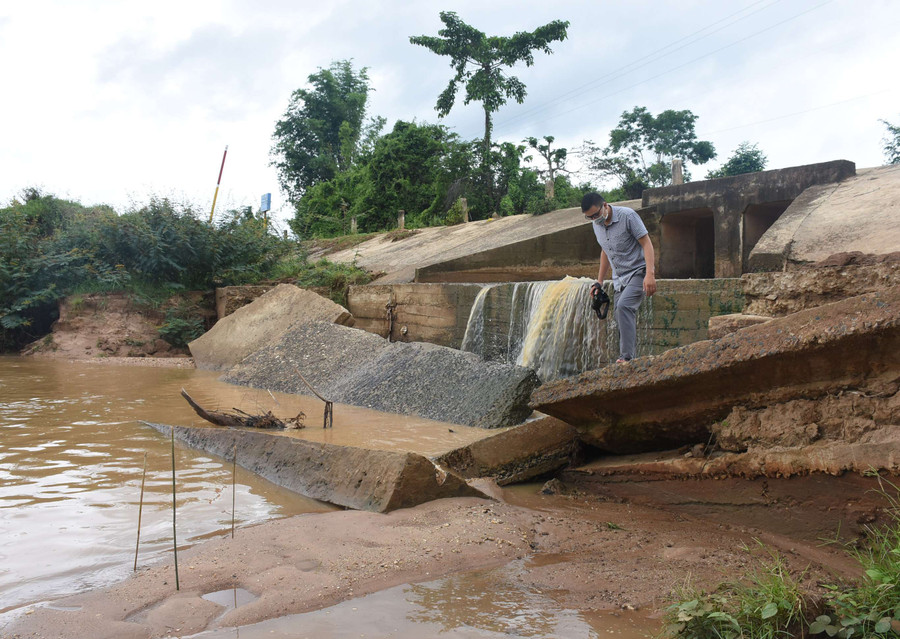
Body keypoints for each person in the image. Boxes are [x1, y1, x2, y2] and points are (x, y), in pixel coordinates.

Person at [582, 192, 656, 363]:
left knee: (624, 307)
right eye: (590, 217)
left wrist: (650, 274)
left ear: (605, 205)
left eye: (596, 214)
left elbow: (647, 243)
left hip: (638, 271)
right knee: (619, 315)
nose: (594, 219)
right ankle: (629, 357)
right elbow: (605, 252)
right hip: (619, 279)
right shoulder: (596, 225)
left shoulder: (628, 216)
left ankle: (626, 358)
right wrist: (599, 282)